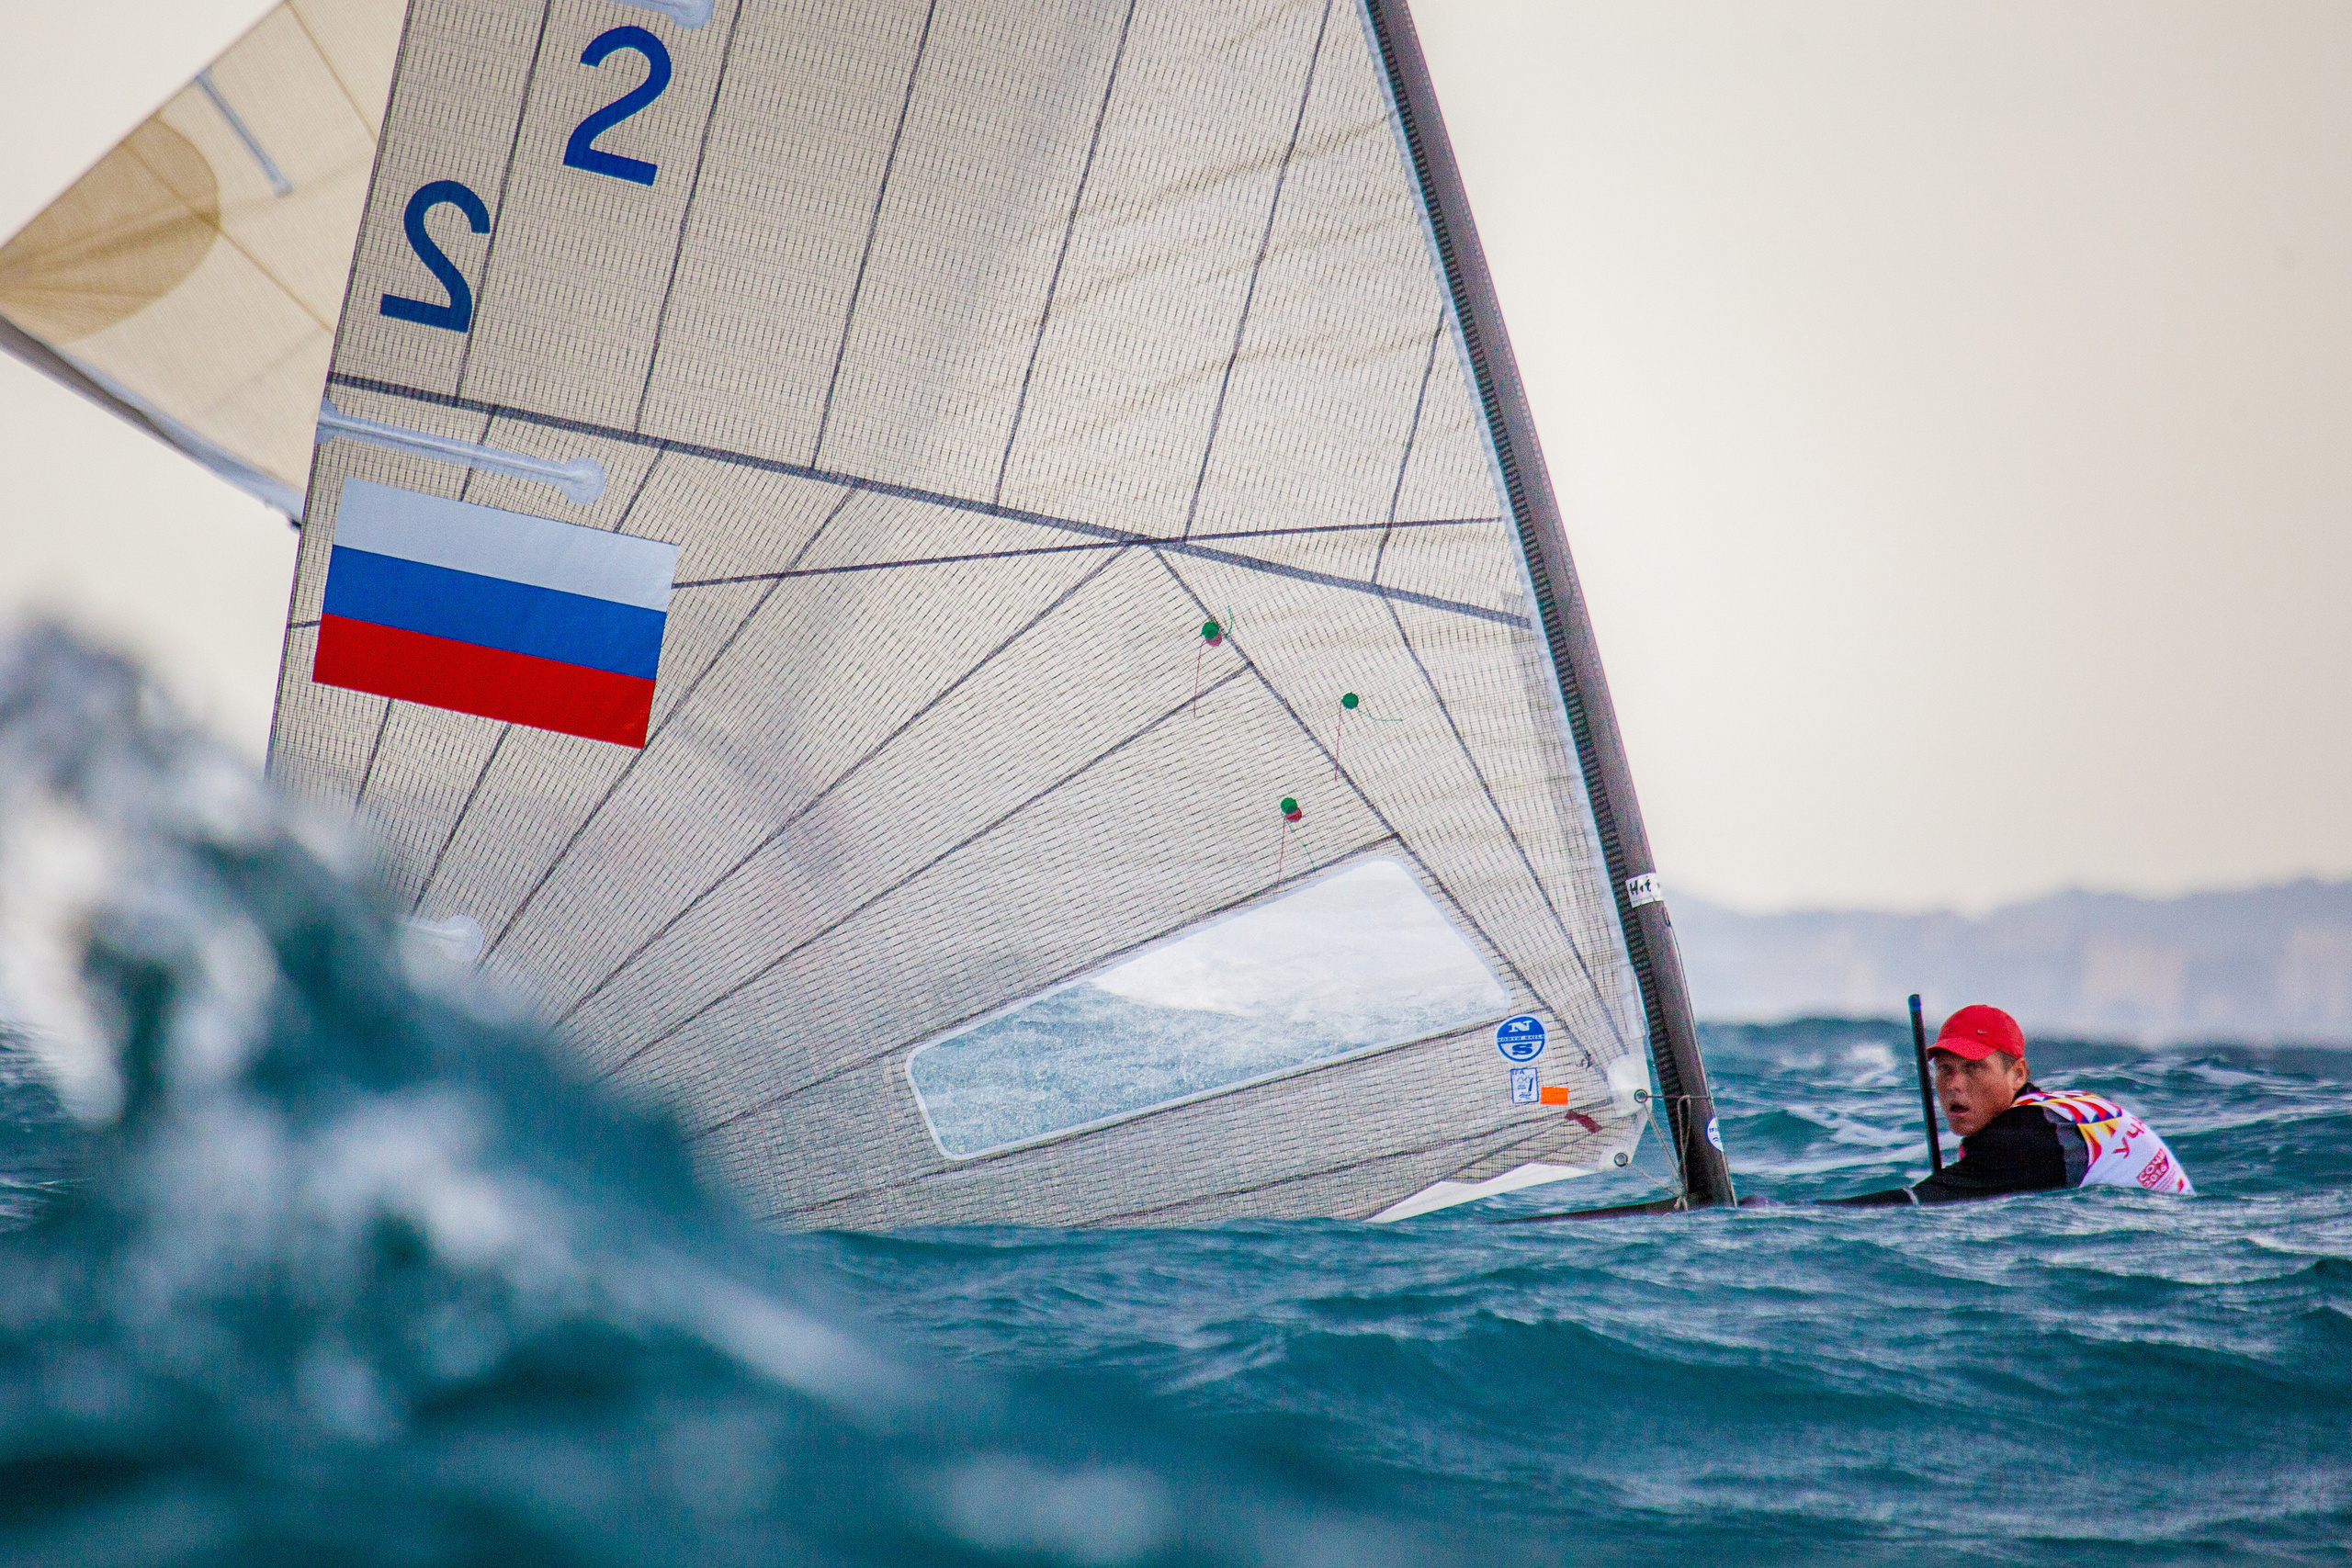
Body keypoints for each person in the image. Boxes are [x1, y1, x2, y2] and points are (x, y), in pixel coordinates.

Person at [1829, 1004, 2194, 1205]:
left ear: (2018, 1074)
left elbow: (1914, 1204)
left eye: (1974, 1068)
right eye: (1945, 1069)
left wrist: (1794, 1215)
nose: (1955, 1084)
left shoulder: (2025, 1139)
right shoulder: (2054, 1112)